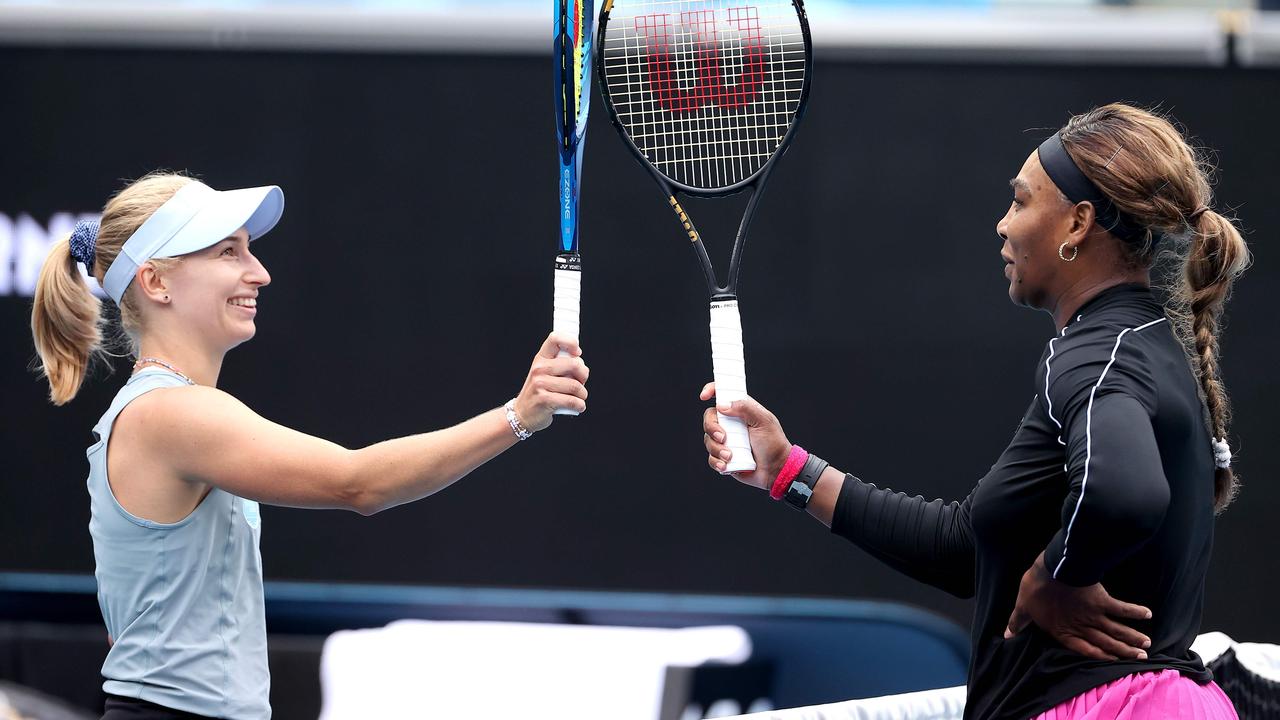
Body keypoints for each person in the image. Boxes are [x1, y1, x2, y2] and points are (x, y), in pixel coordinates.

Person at [699, 103, 1248, 719]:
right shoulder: (1140, 344)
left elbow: (1125, 492)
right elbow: (970, 549)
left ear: (1077, 223)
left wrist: (1055, 578)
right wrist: (787, 470)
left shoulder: (1096, 356)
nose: (1002, 225)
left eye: (1020, 202)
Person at [31, 173, 589, 720]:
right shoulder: (172, 413)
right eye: (229, 252)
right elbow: (360, 483)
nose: (260, 272)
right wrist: (518, 416)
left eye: (249, 250)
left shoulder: (158, 411)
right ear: (156, 282)